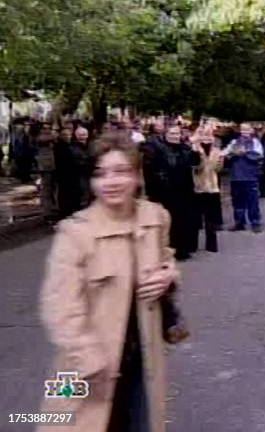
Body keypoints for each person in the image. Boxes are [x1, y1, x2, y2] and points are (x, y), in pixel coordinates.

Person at [38, 132, 178, 432]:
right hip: (83, 366)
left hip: (142, 358)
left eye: (121, 171)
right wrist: (89, 359)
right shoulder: (74, 232)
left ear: (137, 176)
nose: (111, 182)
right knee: (61, 421)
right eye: (101, 173)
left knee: (142, 423)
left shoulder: (156, 218)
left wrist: (169, 273)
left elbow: (168, 257)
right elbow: (58, 307)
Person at [153, 125, 201, 260]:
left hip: (185, 189)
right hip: (168, 190)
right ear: (166, 134)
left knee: (184, 220)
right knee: (169, 221)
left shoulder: (185, 148)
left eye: (177, 134)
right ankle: (169, 249)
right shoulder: (161, 149)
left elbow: (195, 162)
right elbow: (160, 168)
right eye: (171, 133)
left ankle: (183, 249)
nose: (174, 136)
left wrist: (195, 147)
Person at [222, 122, 264, 233]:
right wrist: (233, 154)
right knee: (237, 202)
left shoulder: (255, 142)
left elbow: (259, 156)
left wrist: (245, 153)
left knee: (253, 202)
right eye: (243, 129)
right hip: (236, 177)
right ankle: (239, 222)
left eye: (247, 129)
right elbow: (225, 154)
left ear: (251, 130)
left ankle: (255, 222)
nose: (245, 132)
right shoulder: (234, 142)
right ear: (240, 130)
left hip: (251, 177)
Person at [192, 121, 223, 252]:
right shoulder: (194, 149)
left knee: (211, 219)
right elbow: (196, 168)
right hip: (197, 187)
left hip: (212, 187)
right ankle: (193, 245)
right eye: (204, 135)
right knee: (195, 219)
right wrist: (198, 156)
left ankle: (211, 245)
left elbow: (218, 169)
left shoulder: (217, 151)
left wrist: (220, 161)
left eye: (209, 135)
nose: (207, 137)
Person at [35, 122, 59, 223]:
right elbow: (45, 138)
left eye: (49, 128)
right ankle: (48, 213)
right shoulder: (40, 138)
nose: (47, 130)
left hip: (56, 166)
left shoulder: (51, 137)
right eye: (45, 128)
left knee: (56, 189)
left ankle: (55, 209)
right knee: (47, 190)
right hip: (46, 168)